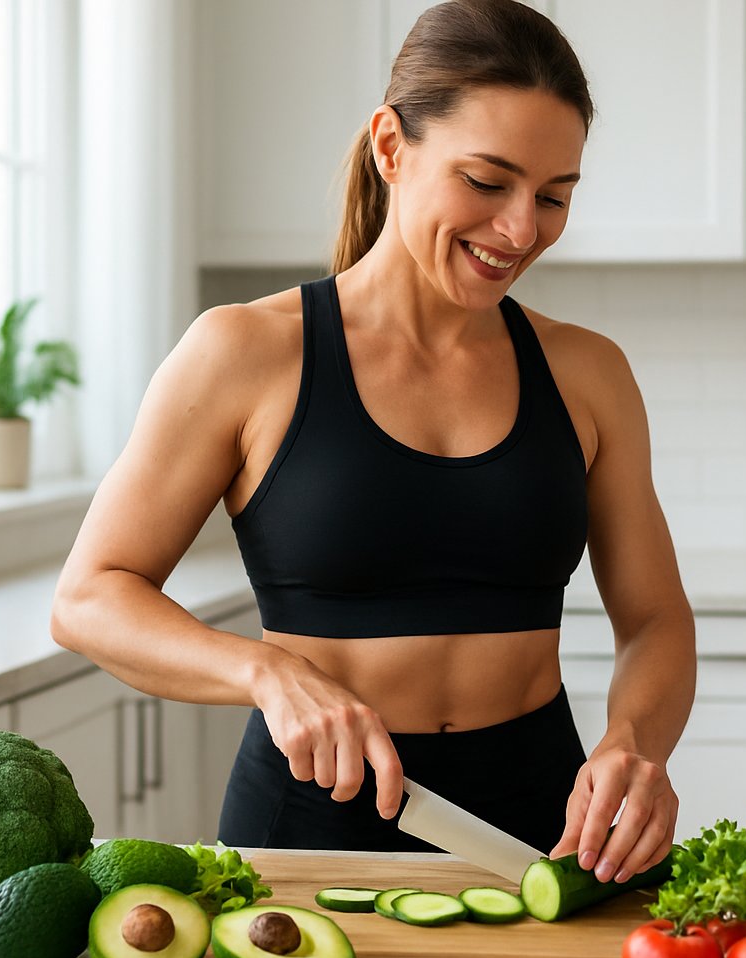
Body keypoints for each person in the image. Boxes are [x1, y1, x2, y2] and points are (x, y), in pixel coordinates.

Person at [50, 0, 695, 887]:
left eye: (553, 197)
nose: (520, 230)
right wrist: (268, 673)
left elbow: (656, 619)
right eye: (486, 181)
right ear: (392, 148)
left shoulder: (588, 373)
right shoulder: (246, 352)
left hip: (547, 833)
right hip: (311, 826)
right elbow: (90, 597)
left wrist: (633, 745)